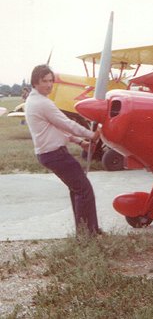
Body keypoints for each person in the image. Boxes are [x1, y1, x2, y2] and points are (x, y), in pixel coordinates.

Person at [25, 64, 101, 235]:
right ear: (35, 82)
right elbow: (66, 123)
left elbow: (55, 129)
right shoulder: (42, 103)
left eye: (51, 80)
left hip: (49, 153)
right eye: (45, 81)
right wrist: (91, 135)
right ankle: (86, 235)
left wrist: (80, 142)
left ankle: (89, 230)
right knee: (84, 190)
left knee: (78, 189)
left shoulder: (33, 101)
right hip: (54, 154)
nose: (49, 85)